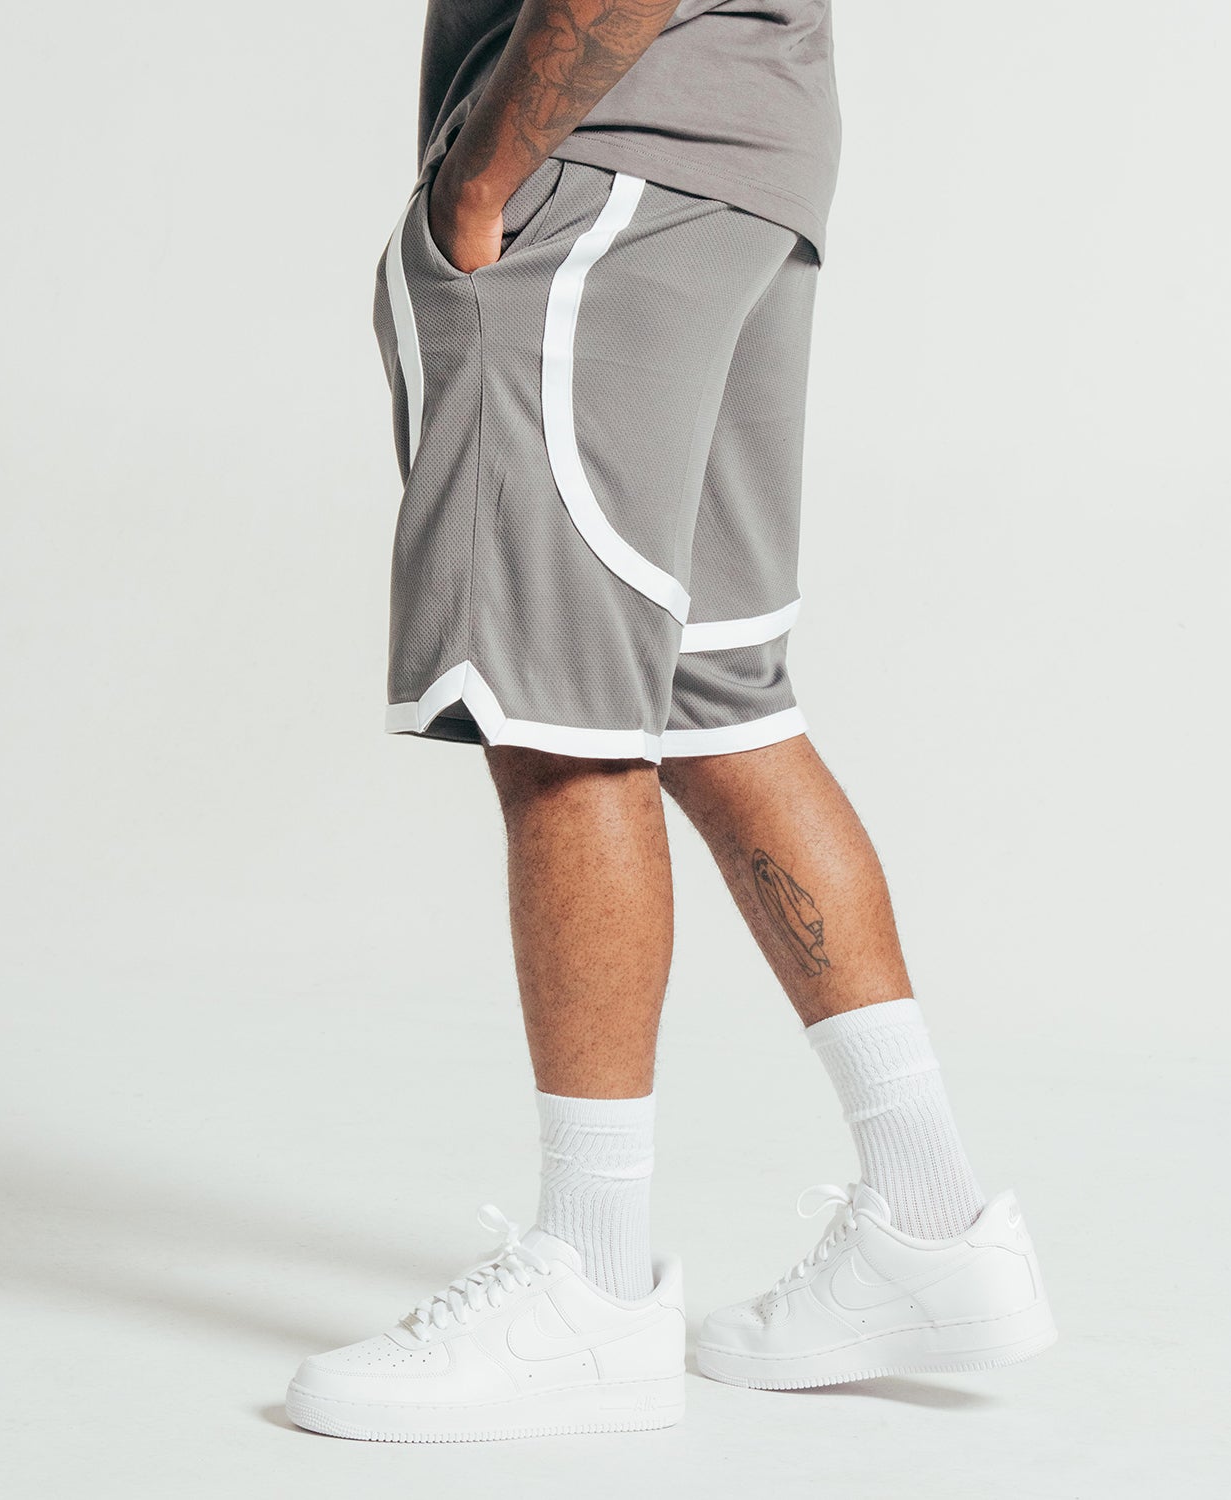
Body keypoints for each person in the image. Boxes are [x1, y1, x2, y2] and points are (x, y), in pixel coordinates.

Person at [286, 0, 1055, 1442]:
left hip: (603, 157)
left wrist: (482, 178)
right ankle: (929, 1215)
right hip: (746, 165)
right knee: (719, 705)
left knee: (561, 718)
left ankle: (589, 1284)